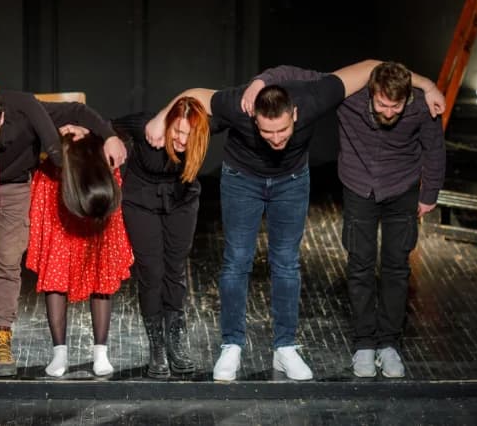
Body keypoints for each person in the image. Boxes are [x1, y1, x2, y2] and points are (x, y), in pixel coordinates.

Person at [145, 60, 445, 382]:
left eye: (283, 130)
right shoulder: (239, 104)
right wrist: (162, 117)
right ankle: (231, 346)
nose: (275, 139)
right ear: (254, 117)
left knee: (286, 263)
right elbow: (196, 95)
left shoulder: (315, 97)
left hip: (291, 180)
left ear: (296, 114)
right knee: (236, 262)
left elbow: (373, 67)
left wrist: (427, 85)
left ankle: (285, 348)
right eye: (267, 131)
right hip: (242, 179)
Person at [244, 62, 446, 378]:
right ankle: (365, 343)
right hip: (359, 187)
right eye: (382, 104)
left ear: (406, 98)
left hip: (402, 189)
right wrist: (260, 82)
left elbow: (434, 149)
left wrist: (429, 193)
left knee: (396, 266)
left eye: (396, 106)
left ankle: (389, 344)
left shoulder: (421, 105)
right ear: (371, 92)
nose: (389, 112)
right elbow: (300, 75)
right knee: (360, 265)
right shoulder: (348, 96)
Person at [0, 85, 127, 377]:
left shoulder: (24, 109)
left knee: (7, 266)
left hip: (11, 191)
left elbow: (75, 110)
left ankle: (1, 337)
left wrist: (109, 136)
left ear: (1, 119)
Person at [111, 97, 210, 378]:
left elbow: (209, 98)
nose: (180, 139)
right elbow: (109, 128)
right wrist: (112, 145)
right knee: (151, 271)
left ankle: (175, 342)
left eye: (187, 135)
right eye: (176, 131)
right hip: (141, 199)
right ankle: (157, 347)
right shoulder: (146, 125)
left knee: (175, 269)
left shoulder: (204, 130)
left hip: (182, 199)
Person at [27, 129, 133, 378]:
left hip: (93, 188)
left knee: (101, 277)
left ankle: (101, 353)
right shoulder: (55, 161)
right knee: (55, 277)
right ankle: (59, 353)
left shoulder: (100, 147)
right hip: (58, 203)